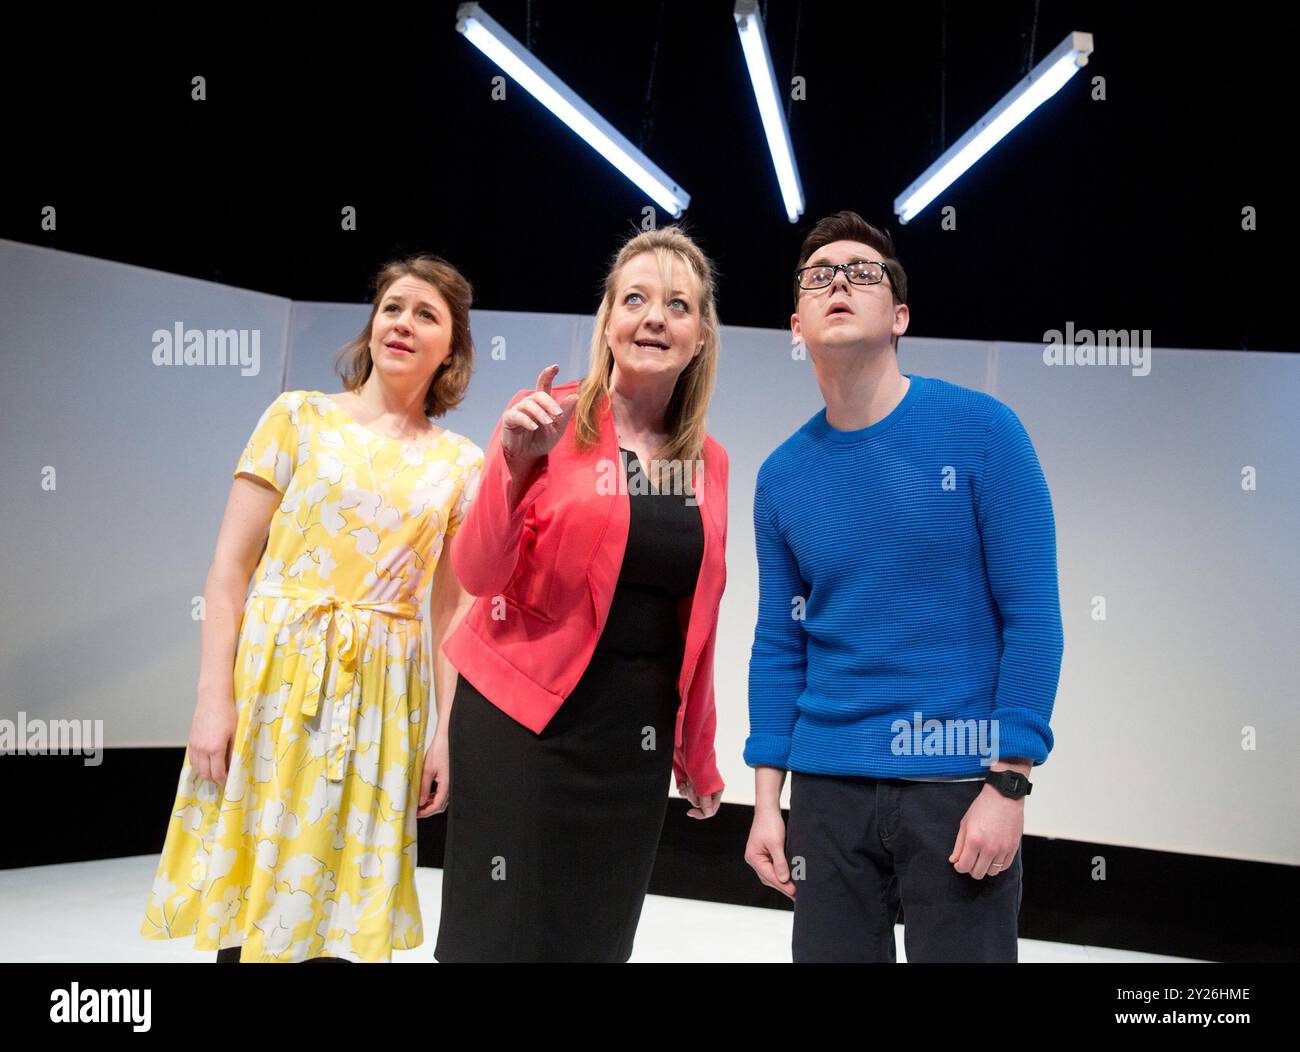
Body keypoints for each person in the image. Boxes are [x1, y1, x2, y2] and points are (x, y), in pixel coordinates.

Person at [140, 254, 484, 963]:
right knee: (255, 894)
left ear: (452, 347)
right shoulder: (298, 417)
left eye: (426, 315)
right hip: (274, 682)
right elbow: (229, 570)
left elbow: (452, 612)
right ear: (371, 322)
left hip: (382, 696)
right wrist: (212, 699)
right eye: (393, 306)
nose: (403, 323)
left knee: (338, 904)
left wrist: (446, 733)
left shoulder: (461, 463)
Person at [743, 211, 1064, 963]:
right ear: (797, 323)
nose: (839, 284)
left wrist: (1009, 785)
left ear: (900, 316)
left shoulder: (985, 432)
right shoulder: (782, 476)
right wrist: (766, 802)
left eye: (863, 272)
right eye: (818, 276)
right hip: (825, 790)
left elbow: (1033, 619)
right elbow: (778, 645)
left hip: (956, 783)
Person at [431, 226, 729, 963]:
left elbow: (697, 618)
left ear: (699, 337)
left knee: (592, 940)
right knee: (499, 936)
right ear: (608, 322)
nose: (654, 317)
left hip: (632, 742)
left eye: (678, 305)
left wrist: (697, 748)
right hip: (521, 721)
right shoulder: (552, 421)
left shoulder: (706, 460)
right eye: (635, 299)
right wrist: (511, 466)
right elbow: (476, 573)